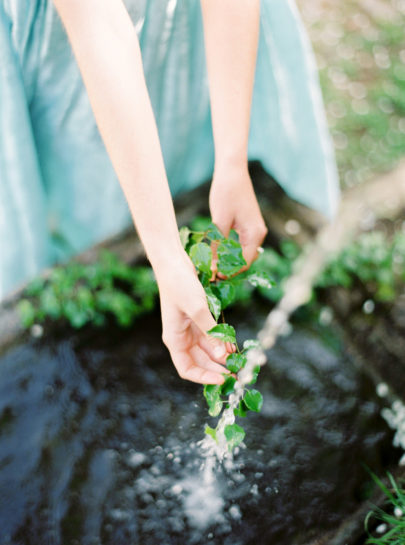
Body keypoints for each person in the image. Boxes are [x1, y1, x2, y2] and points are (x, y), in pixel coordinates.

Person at [0, 0, 340, 384]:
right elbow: (100, 26)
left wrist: (231, 164)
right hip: (71, 40)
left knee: (181, 146)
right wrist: (164, 254)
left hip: (190, 24)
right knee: (80, 190)